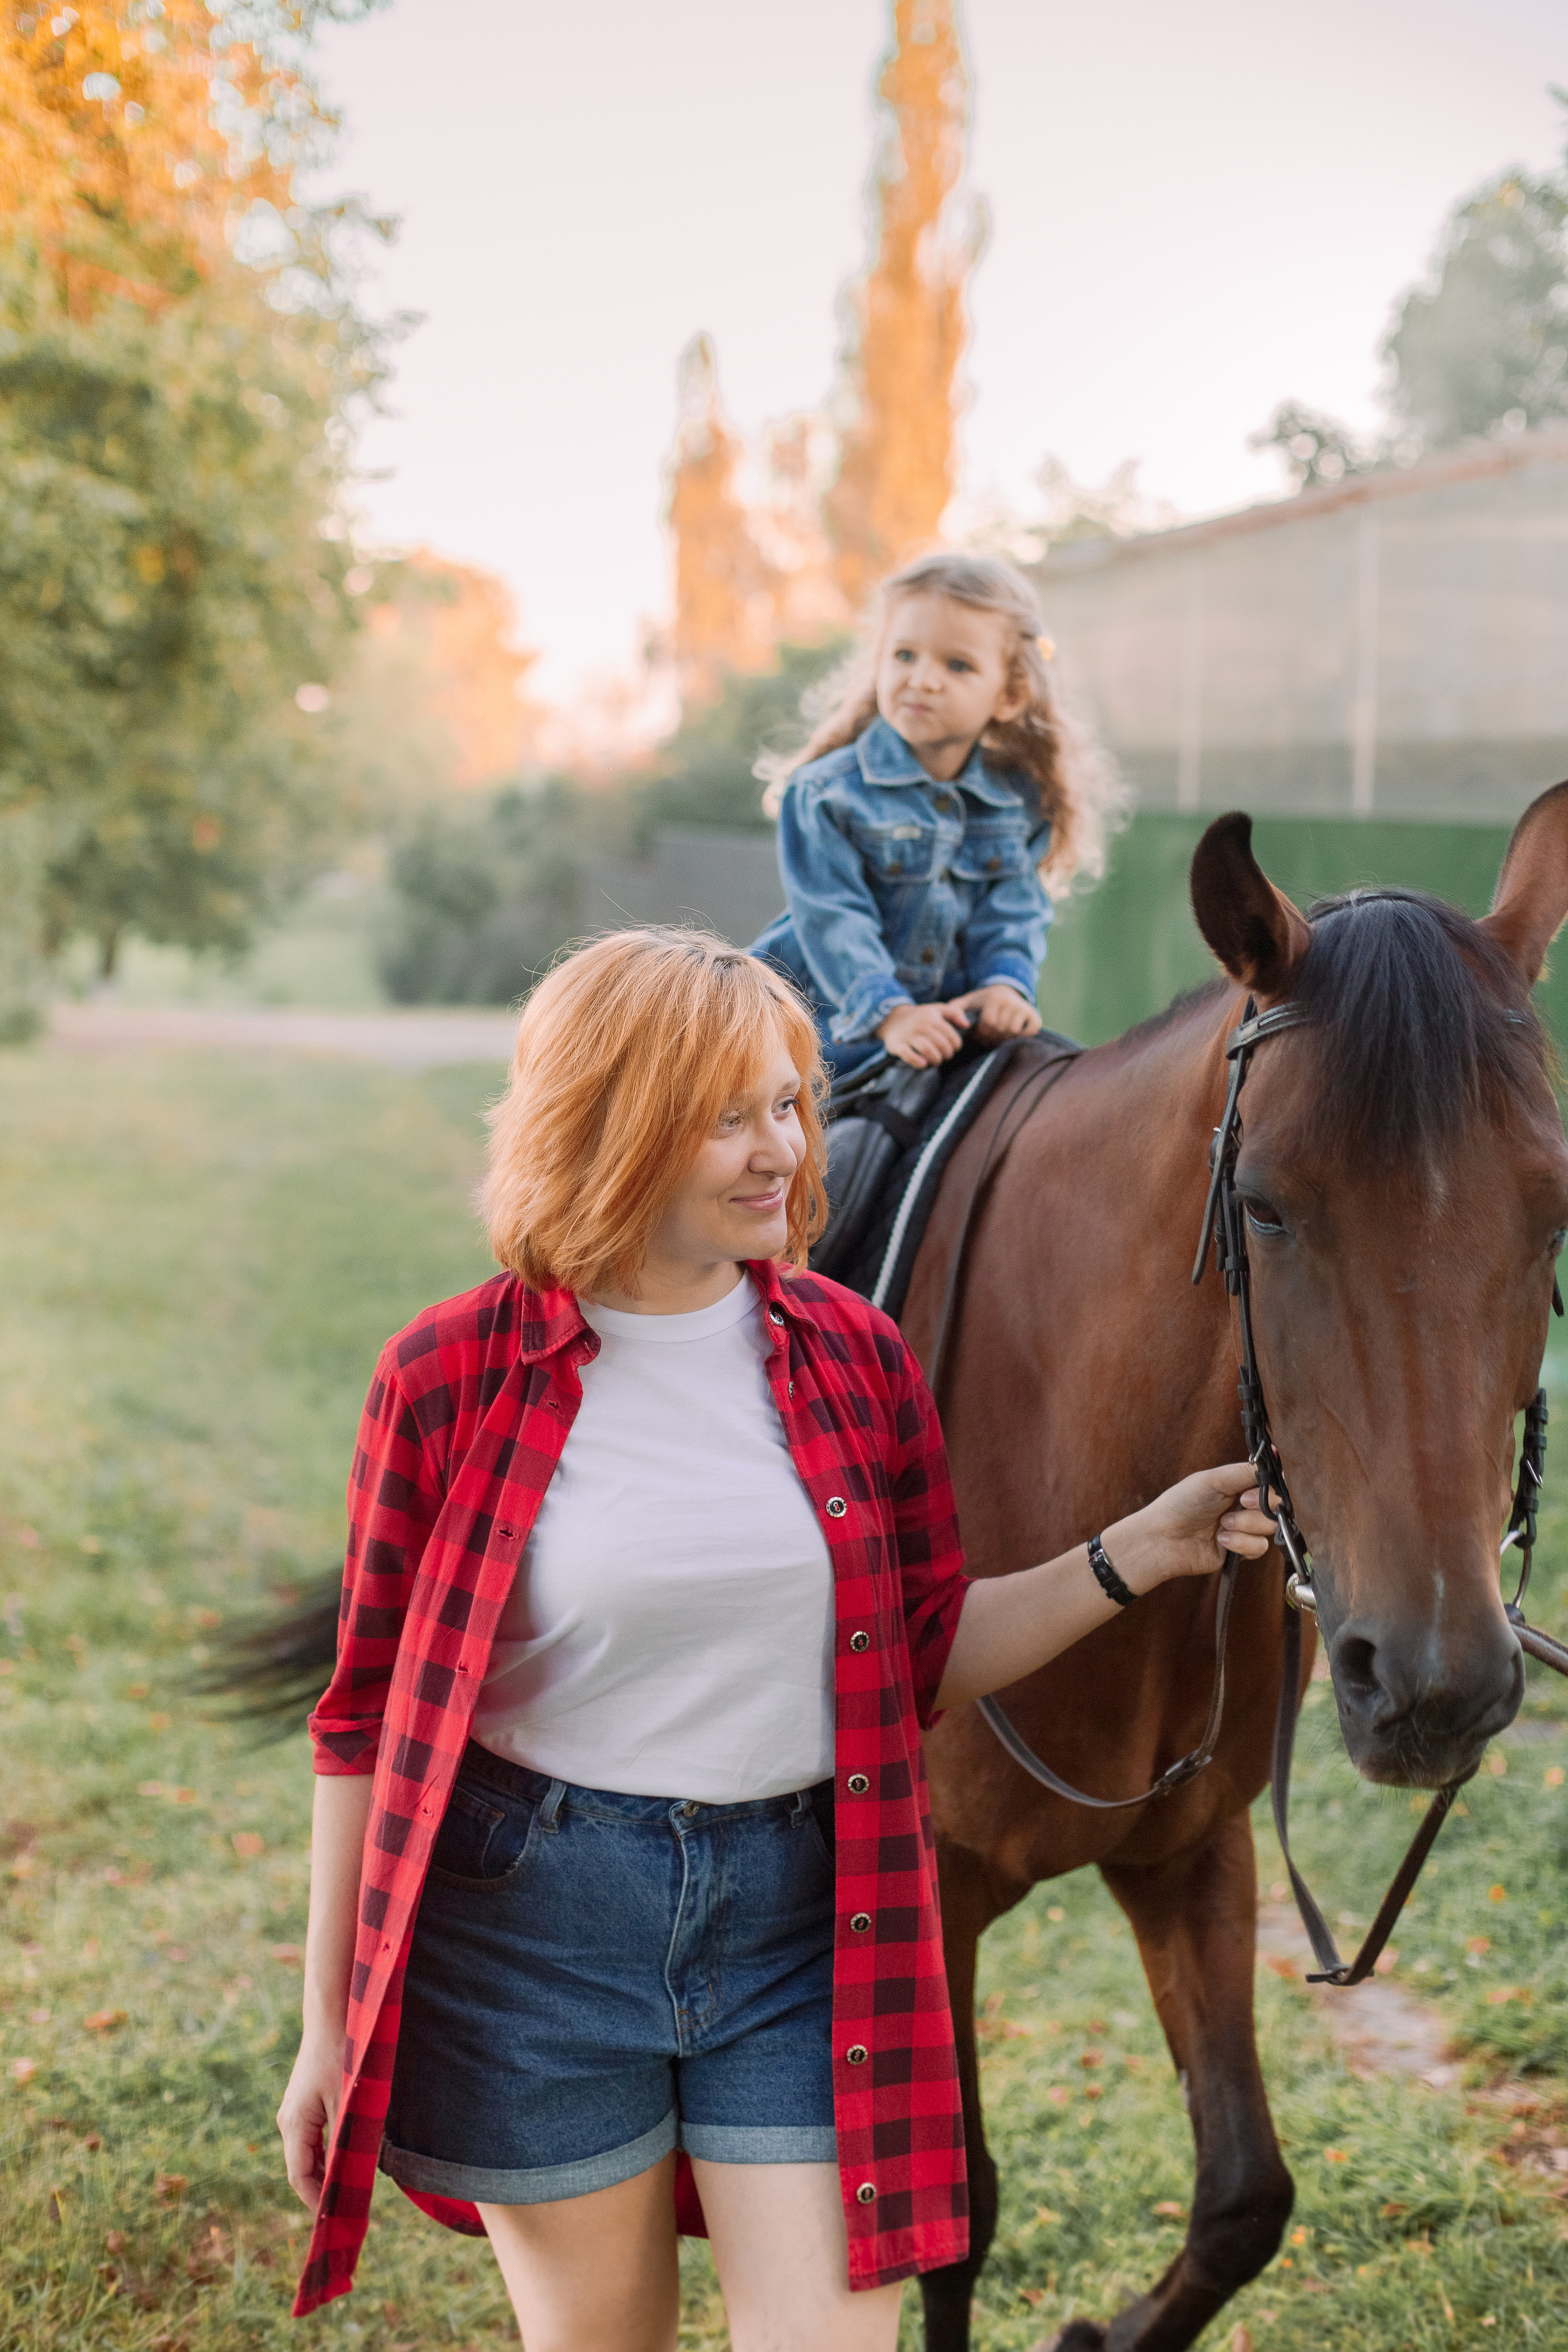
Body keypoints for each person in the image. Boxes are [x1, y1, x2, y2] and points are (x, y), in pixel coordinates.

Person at [277, 927, 1274, 2352]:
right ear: (609, 1123)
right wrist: (327, 2024)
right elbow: (362, 1718)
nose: (780, 1150)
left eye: (789, 1102)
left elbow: (926, 1646)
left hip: (807, 1921)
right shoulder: (450, 1375)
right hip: (539, 1925)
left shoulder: (852, 1358)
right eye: (726, 1115)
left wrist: (1141, 1547)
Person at [748, 549, 1123, 1081]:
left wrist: (1005, 984)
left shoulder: (1019, 801)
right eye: (904, 656)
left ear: (1010, 695)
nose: (922, 679)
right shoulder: (825, 794)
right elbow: (834, 921)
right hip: (819, 1033)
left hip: (946, 1033)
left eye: (957, 665)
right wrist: (892, 1014)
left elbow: (1014, 911)